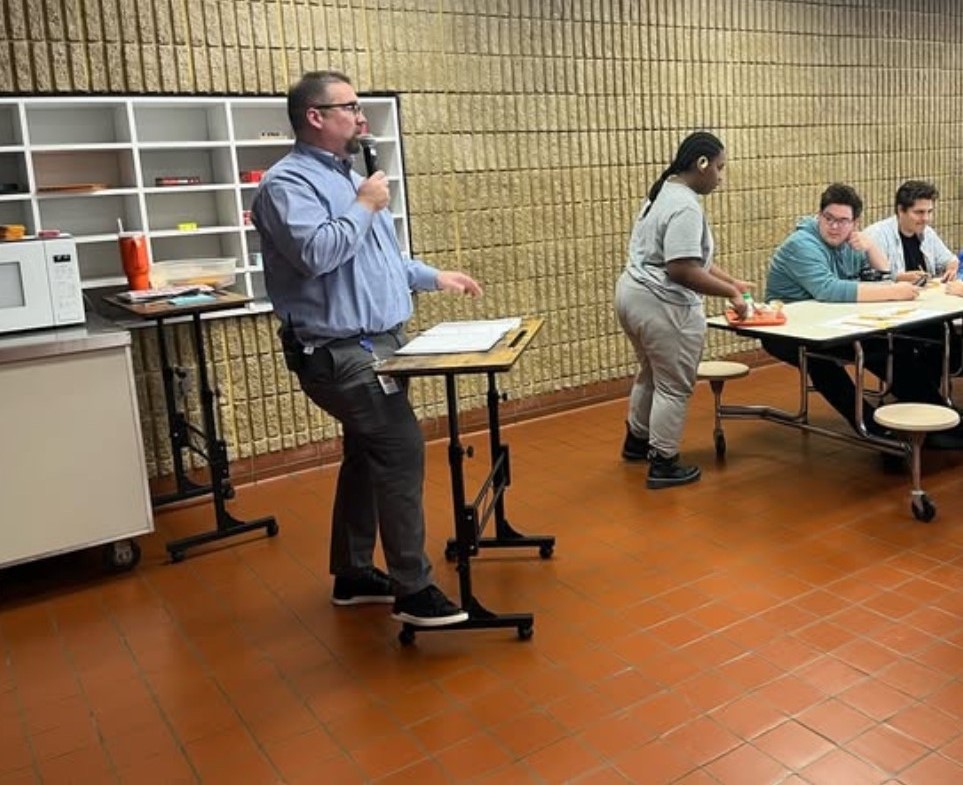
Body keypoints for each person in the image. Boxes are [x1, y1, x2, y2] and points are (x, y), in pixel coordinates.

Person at [251, 71, 482, 628]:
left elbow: (381, 262)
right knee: (399, 447)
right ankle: (413, 589)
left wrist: (433, 276)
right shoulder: (288, 186)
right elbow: (317, 254)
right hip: (338, 352)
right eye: (350, 107)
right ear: (315, 117)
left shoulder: (353, 178)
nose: (362, 118)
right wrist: (363, 204)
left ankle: (353, 573)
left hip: (380, 343)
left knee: (365, 452)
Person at [615, 131, 751, 489]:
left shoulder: (664, 190)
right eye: (720, 168)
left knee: (650, 372)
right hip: (662, 305)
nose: (721, 177)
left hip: (632, 294)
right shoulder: (686, 205)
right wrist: (732, 297)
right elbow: (682, 269)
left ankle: (637, 442)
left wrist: (731, 282)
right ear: (701, 164)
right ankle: (663, 462)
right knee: (674, 385)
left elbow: (694, 258)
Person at [763, 183, 951, 437]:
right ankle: (873, 431)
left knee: (891, 347)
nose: (834, 226)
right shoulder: (801, 244)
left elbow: (882, 277)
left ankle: (935, 414)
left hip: (832, 324)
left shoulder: (852, 243)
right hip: (787, 331)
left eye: (843, 221)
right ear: (819, 216)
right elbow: (827, 289)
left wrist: (871, 248)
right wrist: (893, 291)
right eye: (828, 218)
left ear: (855, 222)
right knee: (822, 363)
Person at [863, 180, 958, 283]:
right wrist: (898, 278)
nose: (926, 218)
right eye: (919, 212)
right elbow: (872, 278)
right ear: (900, 210)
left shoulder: (927, 232)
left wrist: (951, 269)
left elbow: (949, 260)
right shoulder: (877, 235)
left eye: (929, 212)